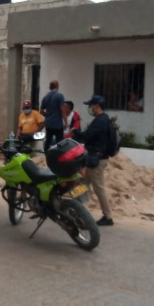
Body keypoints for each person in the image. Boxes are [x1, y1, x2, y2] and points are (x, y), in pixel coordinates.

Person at [72, 95, 114, 226]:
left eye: (91, 106)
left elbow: (87, 136)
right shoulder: (102, 119)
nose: (90, 108)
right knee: (82, 184)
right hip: (93, 158)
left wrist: (76, 132)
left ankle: (108, 216)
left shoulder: (101, 121)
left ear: (96, 106)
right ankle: (74, 208)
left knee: (99, 188)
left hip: (97, 159)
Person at [40, 80, 66, 148]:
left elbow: (41, 111)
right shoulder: (60, 96)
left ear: (50, 87)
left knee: (48, 140)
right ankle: (60, 155)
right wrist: (66, 122)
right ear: (57, 87)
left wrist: (48, 115)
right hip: (57, 123)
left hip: (48, 123)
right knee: (60, 141)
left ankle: (46, 154)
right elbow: (62, 110)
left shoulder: (45, 97)